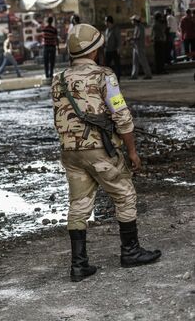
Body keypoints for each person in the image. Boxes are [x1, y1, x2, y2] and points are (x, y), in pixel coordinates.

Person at [51, 23, 161, 283]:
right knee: (124, 195)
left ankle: (79, 265)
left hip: (70, 152)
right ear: (95, 50)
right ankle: (130, 251)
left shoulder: (59, 78)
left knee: (78, 205)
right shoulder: (105, 75)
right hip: (100, 150)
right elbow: (121, 114)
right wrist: (132, 150)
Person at [130, 15, 153, 80]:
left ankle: (148, 74)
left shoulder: (140, 27)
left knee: (143, 61)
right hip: (136, 46)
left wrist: (131, 38)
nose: (132, 21)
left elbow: (138, 37)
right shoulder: (137, 27)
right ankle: (134, 75)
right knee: (135, 62)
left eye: (132, 20)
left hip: (139, 46)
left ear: (135, 21)